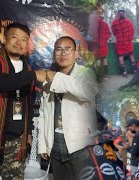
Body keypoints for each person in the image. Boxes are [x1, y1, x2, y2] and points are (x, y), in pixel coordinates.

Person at [0, 22, 46, 179]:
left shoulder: (28, 69)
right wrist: (32, 76)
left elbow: (29, 104)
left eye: (24, 39)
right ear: (4, 39)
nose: (19, 42)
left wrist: (29, 132)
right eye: (14, 37)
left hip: (16, 138)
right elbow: (0, 83)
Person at [37, 36, 98, 179]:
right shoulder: (48, 79)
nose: (63, 53)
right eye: (58, 49)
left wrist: (56, 78)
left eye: (67, 49)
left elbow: (88, 92)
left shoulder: (86, 73)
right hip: (56, 147)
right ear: (53, 54)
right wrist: (43, 145)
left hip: (80, 148)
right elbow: (43, 114)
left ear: (76, 54)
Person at [111, 10, 136, 77]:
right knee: (131, 57)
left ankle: (124, 72)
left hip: (121, 43)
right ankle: (135, 71)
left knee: (122, 58)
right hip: (126, 43)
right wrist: (128, 38)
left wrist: (119, 37)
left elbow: (114, 32)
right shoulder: (128, 22)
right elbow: (132, 31)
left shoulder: (115, 22)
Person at [94, 11, 111, 79]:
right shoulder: (105, 24)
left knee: (96, 60)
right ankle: (105, 75)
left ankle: (98, 76)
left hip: (95, 45)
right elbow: (109, 34)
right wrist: (105, 39)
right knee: (104, 59)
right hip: (103, 45)